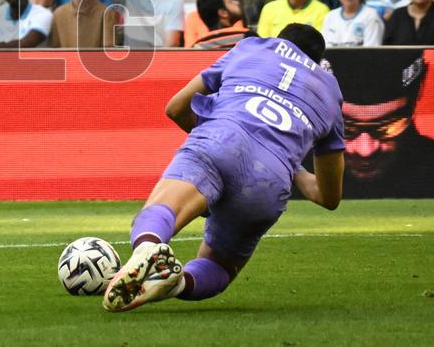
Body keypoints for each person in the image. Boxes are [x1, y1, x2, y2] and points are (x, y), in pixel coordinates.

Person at [102, 24, 344, 312]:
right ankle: (176, 283)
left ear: (279, 40)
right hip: (271, 178)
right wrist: (292, 167)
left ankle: (146, 249)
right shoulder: (330, 91)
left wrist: (210, 144)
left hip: (222, 138)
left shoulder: (252, 47)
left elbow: (176, 107)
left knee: (161, 210)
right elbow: (328, 198)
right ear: (317, 60)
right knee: (220, 264)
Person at [325, 48, 434, 198]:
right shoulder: (301, 172)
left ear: (419, 92)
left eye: (389, 127)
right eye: (345, 128)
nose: (365, 151)